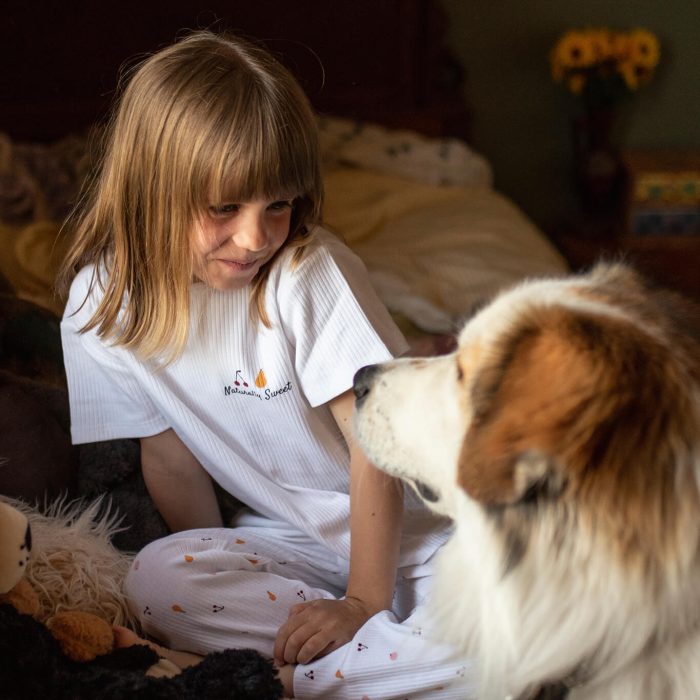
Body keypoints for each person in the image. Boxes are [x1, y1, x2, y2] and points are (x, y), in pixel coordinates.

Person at [59, 30, 472, 699]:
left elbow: (379, 446)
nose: (255, 238)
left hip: (429, 537)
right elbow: (169, 462)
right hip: (294, 545)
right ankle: (384, 671)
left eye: (277, 204)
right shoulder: (96, 307)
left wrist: (363, 602)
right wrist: (227, 567)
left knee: (540, 625)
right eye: (223, 207)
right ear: (149, 190)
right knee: (156, 582)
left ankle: (276, 680)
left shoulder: (309, 275)